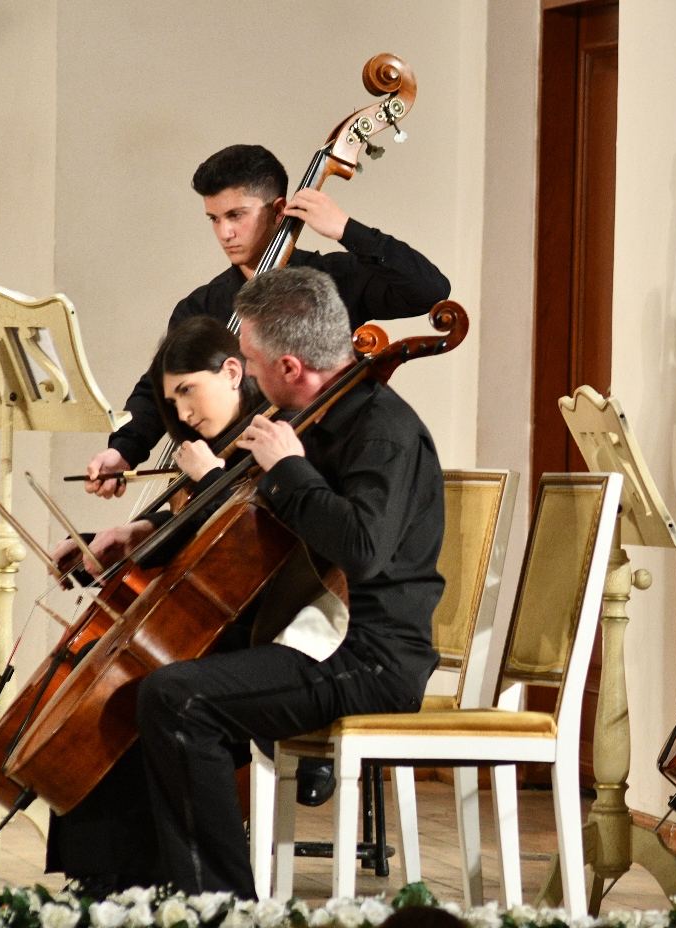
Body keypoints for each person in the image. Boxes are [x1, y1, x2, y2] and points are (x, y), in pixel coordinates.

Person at [123, 265, 443, 896]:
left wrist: (291, 472)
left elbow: (364, 550)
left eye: (253, 360)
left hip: (368, 657)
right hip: (306, 636)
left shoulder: (385, 431)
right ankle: (122, 882)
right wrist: (150, 531)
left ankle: (221, 904)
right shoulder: (312, 416)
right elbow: (243, 510)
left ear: (292, 367)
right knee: (137, 678)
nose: (250, 374)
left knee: (178, 698)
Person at [85, 143, 449, 497]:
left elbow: (428, 288)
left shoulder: (331, 283)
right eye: (214, 219)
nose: (224, 233)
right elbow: (157, 390)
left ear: (278, 210)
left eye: (236, 215)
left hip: (318, 483)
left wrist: (346, 228)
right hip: (226, 492)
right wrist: (122, 451)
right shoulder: (202, 306)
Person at [47, 316, 264, 889]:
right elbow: (188, 526)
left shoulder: (271, 437)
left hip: (251, 629)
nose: (184, 413)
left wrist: (213, 478)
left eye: (189, 390)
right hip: (203, 621)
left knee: (130, 695)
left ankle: (140, 881)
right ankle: (100, 879)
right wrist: (122, 534)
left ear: (234, 371)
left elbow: (254, 534)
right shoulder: (214, 446)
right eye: (173, 400)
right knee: (100, 691)